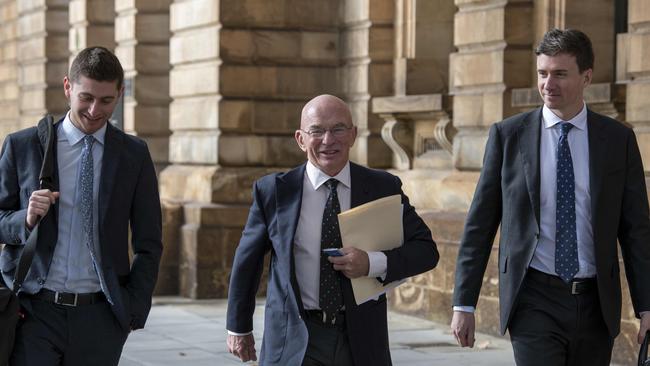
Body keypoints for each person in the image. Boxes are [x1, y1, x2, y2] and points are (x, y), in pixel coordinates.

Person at [450, 28, 650, 365]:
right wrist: (463, 304)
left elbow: (637, 231)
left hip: (596, 303)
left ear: (586, 76)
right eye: (542, 73)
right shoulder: (508, 136)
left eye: (560, 74)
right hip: (533, 298)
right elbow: (480, 224)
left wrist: (646, 305)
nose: (548, 84)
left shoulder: (618, 141)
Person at [226, 94, 439, 366]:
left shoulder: (381, 187)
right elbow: (248, 261)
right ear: (300, 139)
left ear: (353, 135)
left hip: (360, 338)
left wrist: (372, 263)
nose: (328, 140)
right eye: (317, 130)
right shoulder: (275, 191)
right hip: (295, 336)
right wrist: (238, 327)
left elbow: (426, 250)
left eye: (338, 129)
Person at [0, 46, 162, 366]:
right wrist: (26, 219)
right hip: (34, 313)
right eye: (85, 97)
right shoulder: (23, 146)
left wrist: (132, 307)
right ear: (67, 87)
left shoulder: (134, 154)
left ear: (120, 93)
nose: (93, 110)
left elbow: (149, 241)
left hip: (100, 318)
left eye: (106, 101)